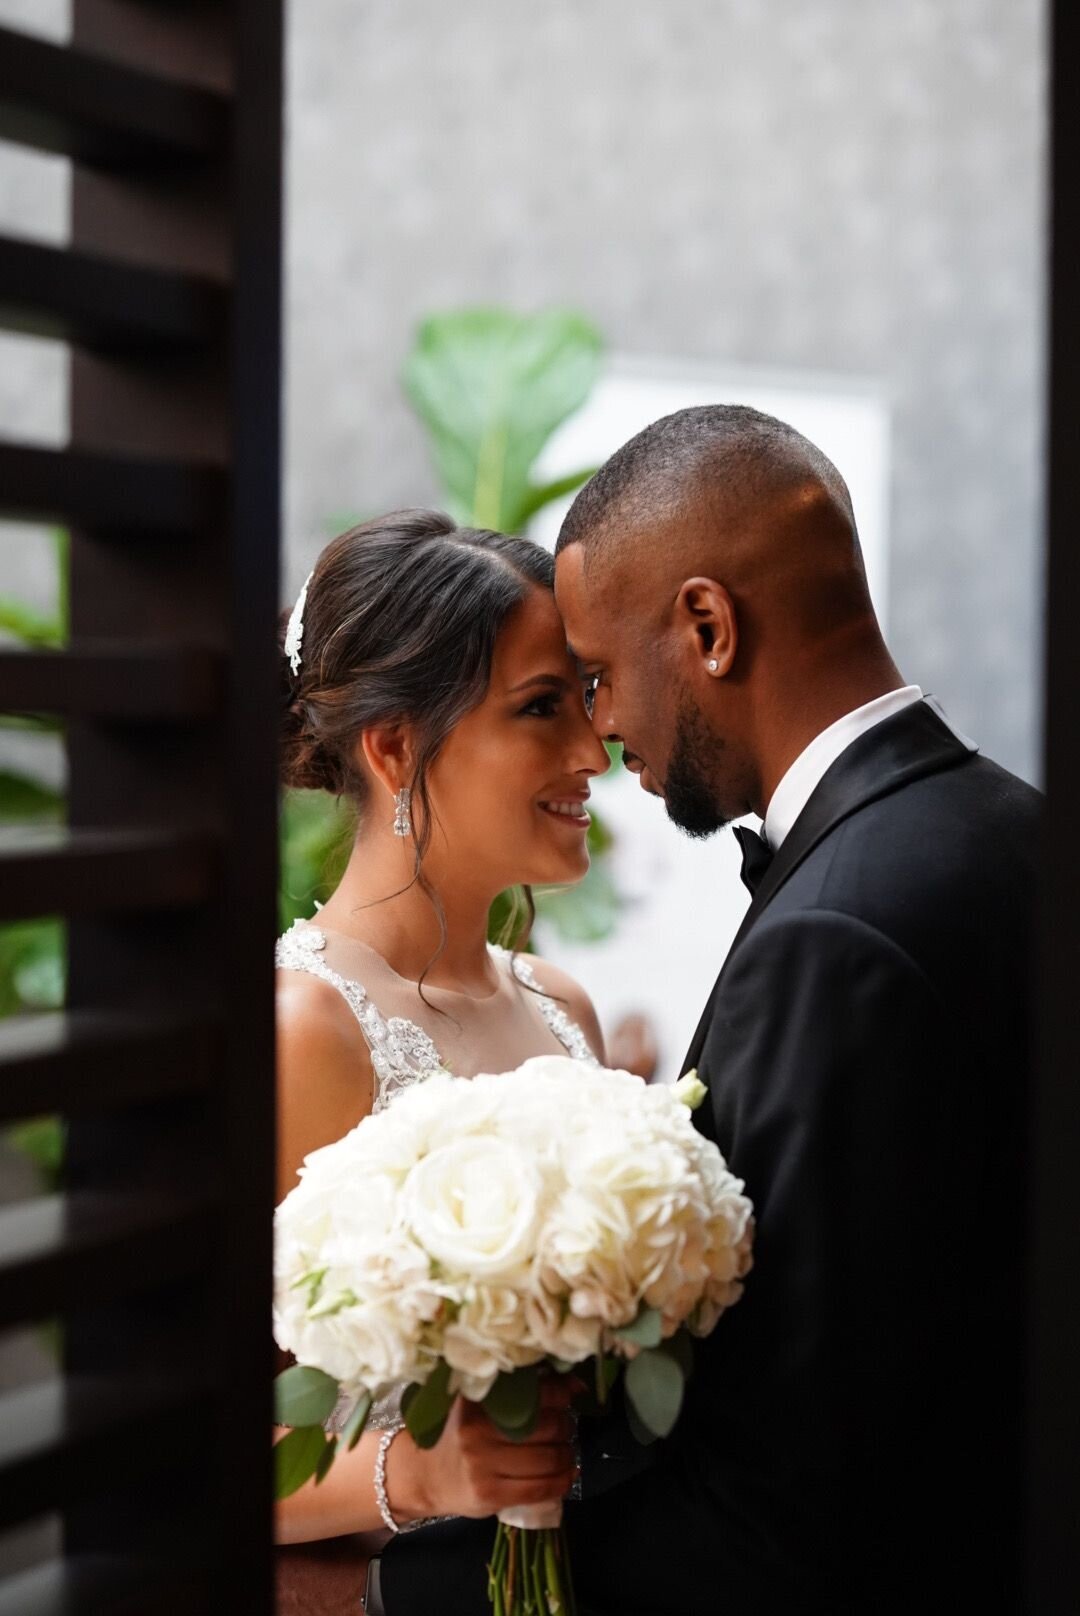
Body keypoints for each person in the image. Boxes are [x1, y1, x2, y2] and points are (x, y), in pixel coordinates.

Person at [380, 406, 1040, 1614]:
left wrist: (404, 1596)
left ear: (707, 626)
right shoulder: (1012, 827)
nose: (602, 725)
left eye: (598, 673)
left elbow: (786, 1509)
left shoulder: (836, 933)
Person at [273, 509, 610, 1613]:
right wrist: (418, 1471)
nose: (592, 752)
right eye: (541, 708)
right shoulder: (300, 1028)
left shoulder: (566, 1011)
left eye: (587, 698)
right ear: (396, 745)